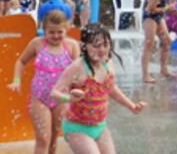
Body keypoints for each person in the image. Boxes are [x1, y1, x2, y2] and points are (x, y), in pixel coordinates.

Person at [52, 23, 147, 153]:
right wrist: (69, 98)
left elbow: (111, 88)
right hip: (77, 127)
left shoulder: (108, 63)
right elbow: (54, 93)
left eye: (106, 44)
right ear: (84, 46)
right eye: (96, 46)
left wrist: (132, 106)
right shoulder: (78, 67)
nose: (102, 49)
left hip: (100, 126)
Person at [8, 9, 80, 154]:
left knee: (53, 140)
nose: (55, 36)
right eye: (51, 32)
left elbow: (78, 72)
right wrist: (17, 80)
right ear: (44, 30)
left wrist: (78, 89)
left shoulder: (71, 46)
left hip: (61, 98)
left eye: (60, 32)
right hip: (39, 98)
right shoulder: (37, 44)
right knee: (43, 139)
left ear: (66, 29)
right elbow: (21, 62)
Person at [141, 0, 176, 83]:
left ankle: (164, 70)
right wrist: (167, 8)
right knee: (149, 44)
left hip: (159, 16)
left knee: (167, 41)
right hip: (150, 17)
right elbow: (150, 9)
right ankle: (145, 75)